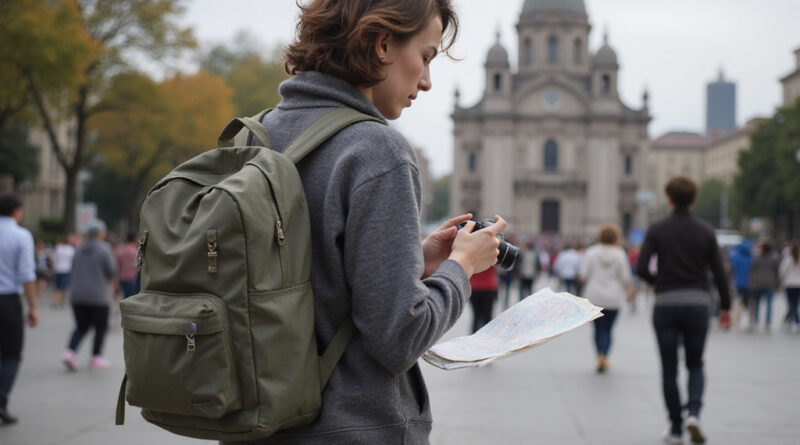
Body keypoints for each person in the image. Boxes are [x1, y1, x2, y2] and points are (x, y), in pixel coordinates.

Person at [224, 1, 505, 443]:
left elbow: (308, 279)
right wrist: (461, 269)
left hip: (253, 424)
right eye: (426, 57)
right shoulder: (377, 151)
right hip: (351, 428)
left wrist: (413, 262)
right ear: (383, 43)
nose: (428, 82)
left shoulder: (252, 134)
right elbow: (399, 337)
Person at [635, 176, 731, 445]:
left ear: (669, 199)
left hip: (666, 304)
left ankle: (676, 428)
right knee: (696, 363)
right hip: (698, 304)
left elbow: (641, 268)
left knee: (669, 369)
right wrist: (725, 306)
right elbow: (719, 273)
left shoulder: (657, 229)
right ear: (694, 199)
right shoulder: (706, 230)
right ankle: (694, 414)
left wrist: (659, 283)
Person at [0, 194, 39, 425]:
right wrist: (33, 306)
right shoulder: (21, 235)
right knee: (11, 353)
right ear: (17, 211)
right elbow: (26, 274)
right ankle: (1, 399)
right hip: (7, 300)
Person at [62, 220, 117, 371]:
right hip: (98, 296)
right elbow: (111, 271)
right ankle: (96, 357)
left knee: (81, 327)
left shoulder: (78, 249)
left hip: (77, 295)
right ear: (101, 233)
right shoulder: (104, 249)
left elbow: (72, 268)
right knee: (100, 328)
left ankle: (69, 352)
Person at [579, 224, 631, 373]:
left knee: (598, 329)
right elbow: (625, 277)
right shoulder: (620, 254)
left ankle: (600, 355)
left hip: (594, 296)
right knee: (608, 329)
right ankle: (605, 356)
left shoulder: (591, 252)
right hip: (614, 298)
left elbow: (583, 275)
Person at [749, 241, 780, 332]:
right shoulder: (774, 258)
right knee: (769, 304)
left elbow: (752, 269)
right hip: (770, 283)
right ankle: (767, 323)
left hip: (758, 283)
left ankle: (756, 321)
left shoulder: (757, 258)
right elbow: (777, 271)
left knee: (757, 303)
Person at [729, 240, 752, 328]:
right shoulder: (750, 257)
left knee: (737, 301)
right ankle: (746, 319)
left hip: (737, 282)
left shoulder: (735, 257)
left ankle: (736, 319)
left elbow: (732, 270)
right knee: (747, 302)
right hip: (748, 283)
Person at [469, 267, 498, 333]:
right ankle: (487, 337)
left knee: (476, 316)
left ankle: (473, 337)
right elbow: (501, 271)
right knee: (487, 316)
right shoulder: (492, 257)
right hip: (488, 287)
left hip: (474, 287)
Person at [780, 241, 800, 331]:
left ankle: (795, 321)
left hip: (789, 284)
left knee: (791, 304)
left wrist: (783, 279)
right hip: (798, 284)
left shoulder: (788, 259)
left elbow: (782, 271)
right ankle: (788, 320)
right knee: (795, 303)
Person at [51, 235, 75, 307]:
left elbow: (53, 259)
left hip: (58, 269)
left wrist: (54, 267)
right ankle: (56, 301)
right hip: (66, 269)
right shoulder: (70, 249)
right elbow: (73, 260)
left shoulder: (58, 248)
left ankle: (60, 300)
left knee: (59, 287)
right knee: (62, 287)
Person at [115, 231, 140, 299]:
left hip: (122, 280)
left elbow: (117, 267)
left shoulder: (120, 250)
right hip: (134, 279)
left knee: (126, 298)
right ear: (135, 239)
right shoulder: (136, 252)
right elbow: (139, 267)